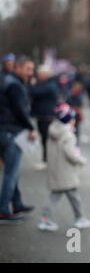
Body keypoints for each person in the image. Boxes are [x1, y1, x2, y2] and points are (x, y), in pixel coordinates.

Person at [38, 103, 90, 231]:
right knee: (74, 197)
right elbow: (71, 154)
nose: (74, 120)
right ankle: (80, 218)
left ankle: (46, 219)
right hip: (66, 172)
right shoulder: (68, 135)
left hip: (56, 169)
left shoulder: (53, 129)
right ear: (68, 119)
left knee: (55, 196)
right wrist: (82, 160)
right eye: (72, 118)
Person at [0, 56, 37, 223]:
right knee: (11, 173)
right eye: (28, 69)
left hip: (5, 130)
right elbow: (20, 110)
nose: (31, 73)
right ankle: (3, 211)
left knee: (11, 171)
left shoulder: (9, 80)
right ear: (18, 68)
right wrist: (31, 128)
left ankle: (17, 203)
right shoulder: (14, 84)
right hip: (12, 132)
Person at [29, 64, 59, 171]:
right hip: (43, 115)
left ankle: (47, 160)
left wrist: (32, 85)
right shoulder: (46, 84)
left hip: (47, 116)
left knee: (47, 139)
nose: (38, 76)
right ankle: (47, 160)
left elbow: (34, 92)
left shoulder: (49, 85)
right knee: (45, 139)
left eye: (40, 74)